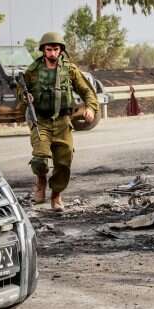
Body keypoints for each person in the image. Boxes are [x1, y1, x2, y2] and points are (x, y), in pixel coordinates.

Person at [19, 32, 99, 212]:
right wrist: (25, 96)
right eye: (49, 49)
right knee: (39, 159)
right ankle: (41, 181)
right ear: (43, 51)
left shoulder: (70, 70)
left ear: (61, 50)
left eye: (56, 49)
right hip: (41, 120)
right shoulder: (33, 71)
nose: (53, 53)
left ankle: (56, 195)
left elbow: (88, 92)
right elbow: (20, 91)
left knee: (64, 162)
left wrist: (91, 108)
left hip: (63, 121)